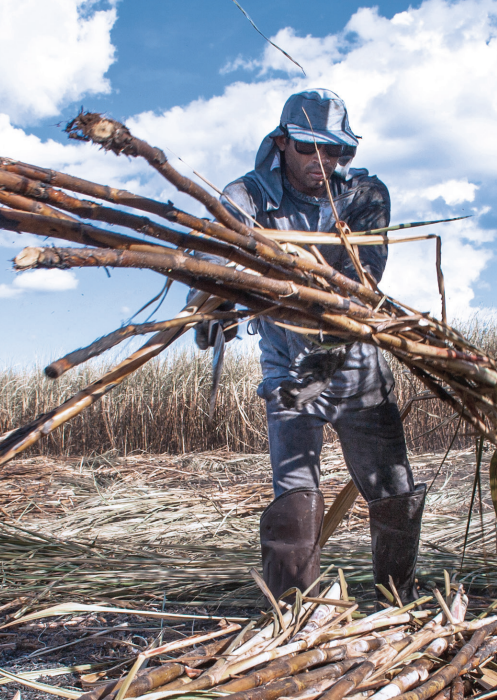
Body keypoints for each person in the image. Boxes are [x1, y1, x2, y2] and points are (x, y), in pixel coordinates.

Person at [198, 89, 425, 603]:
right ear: (282, 143)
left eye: (335, 151)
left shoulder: (365, 195)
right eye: (309, 148)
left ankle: (397, 600)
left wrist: (270, 278)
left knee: (392, 486)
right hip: (289, 372)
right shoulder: (250, 196)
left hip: (355, 366)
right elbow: (214, 252)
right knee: (296, 494)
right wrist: (216, 300)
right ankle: (293, 613)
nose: (323, 161)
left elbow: (356, 281)